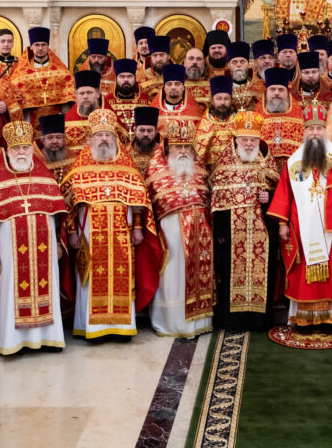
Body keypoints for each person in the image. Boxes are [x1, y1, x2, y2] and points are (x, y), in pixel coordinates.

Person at [0, 121, 68, 355]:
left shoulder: (44, 177)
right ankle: (13, 341)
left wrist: (59, 242)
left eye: (25, 148)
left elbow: (59, 215)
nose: (22, 152)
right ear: (8, 151)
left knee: (48, 287)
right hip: (10, 252)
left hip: (45, 249)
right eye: (16, 149)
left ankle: (49, 338)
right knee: (11, 289)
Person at [62, 109, 152, 340]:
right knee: (91, 277)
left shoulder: (127, 166)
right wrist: (72, 232)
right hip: (89, 233)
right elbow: (68, 203)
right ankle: (92, 328)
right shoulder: (79, 167)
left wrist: (138, 228)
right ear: (91, 139)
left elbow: (138, 201)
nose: (104, 139)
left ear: (115, 138)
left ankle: (122, 328)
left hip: (123, 231)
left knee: (123, 276)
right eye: (99, 135)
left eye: (108, 135)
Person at [267, 103, 332, 327]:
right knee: (302, 273)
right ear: (305, 132)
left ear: (325, 131)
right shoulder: (294, 162)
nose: (315, 133)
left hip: (330, 227)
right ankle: (302, 318)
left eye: (319, 128)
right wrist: (282, 223)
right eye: (311, 129)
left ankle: (330, 318)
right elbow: (284, 193)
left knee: (330, 271)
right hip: (301, 226)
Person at [140, 120, 214, 338]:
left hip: (200, 233)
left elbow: (207, 198)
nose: (183, 151)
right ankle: (172, 323)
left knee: (198, 273)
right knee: (172, 275)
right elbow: (150, 204)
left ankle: (198, 322)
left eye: (186, 147)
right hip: (170, 232)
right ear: (167, 148)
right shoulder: (155, 169)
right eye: (178, 146)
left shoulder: (199, 168)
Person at [209, 111, 281, 330]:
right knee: (230, 273)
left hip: (262, 230)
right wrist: (220, 232)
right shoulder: (224, 164)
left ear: (258, 140)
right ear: (236, 140)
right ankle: (233, 320)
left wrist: (269, 197)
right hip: (233, 233)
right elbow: (218, 200)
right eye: (244, 140)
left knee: (262, 273)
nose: (249, 144)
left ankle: (260, 320)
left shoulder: (267, 163)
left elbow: (280, 192)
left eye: (252, 140)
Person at [9, 26, 74, 125]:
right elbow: (14, 92)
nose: (40, 48)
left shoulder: (61, 71)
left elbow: (68, 100)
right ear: (31, 47)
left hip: (56, 118)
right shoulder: (22, 73)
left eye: (43, 45)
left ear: (48, 46)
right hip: (32, 120)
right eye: (37, 45)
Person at [255, 67, 305, 164]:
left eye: (281, 90)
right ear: (266, 92)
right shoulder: (257, 118)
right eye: (272, 89)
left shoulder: (299, 118)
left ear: (287, 93)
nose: (276, 93)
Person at [64, 70, 116, 160]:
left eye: (89, 92)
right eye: (81, 93)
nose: (85, 97)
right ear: (76, 95)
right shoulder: (66, 122)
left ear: (98, 94)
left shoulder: (108, 118)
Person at [195, 76, 238, 170]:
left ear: (231, 100)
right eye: (219, 98)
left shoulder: (239, 123)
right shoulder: (203, 126)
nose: (222, 103)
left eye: (226, 99)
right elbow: (198, 160)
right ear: (212, 100)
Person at [152, 64, 205, 137]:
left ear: (183, 87)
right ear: (164, 88)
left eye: (177, 84)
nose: (173, 87)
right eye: (169, 84)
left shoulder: (195, 111)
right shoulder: (154, 111)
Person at [108, 58, 149, 142]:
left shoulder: (146, 101)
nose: (126, 80)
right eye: (122, 76)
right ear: (116, 79)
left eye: (129, 76)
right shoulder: (107, 102)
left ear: (135, 78)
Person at [38, 113, 73, 184]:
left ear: (64, 139)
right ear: (43, 140)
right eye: (50, 138)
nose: (54, 141)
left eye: (58, 137)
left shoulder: (72, 157)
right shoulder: (37, 159)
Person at [228, 41, 262, 111]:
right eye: (234, 62)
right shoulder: (224, 88)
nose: (238, 65)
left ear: (248, 65)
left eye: (242, 61)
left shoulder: (259, 87)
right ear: (229, 65)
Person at [129, 106, 160, 176]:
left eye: (149, 131)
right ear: (135, 131)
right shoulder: (126, 154)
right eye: (142, 130)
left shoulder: (162, 154)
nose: (145, 134)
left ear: (155, 132)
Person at [139, 35, 172, 100]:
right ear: (150, 58)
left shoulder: (178, 77)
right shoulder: (140, 78)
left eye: (162, 55)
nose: (158, 59)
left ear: (168, 56)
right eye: (155, 55)